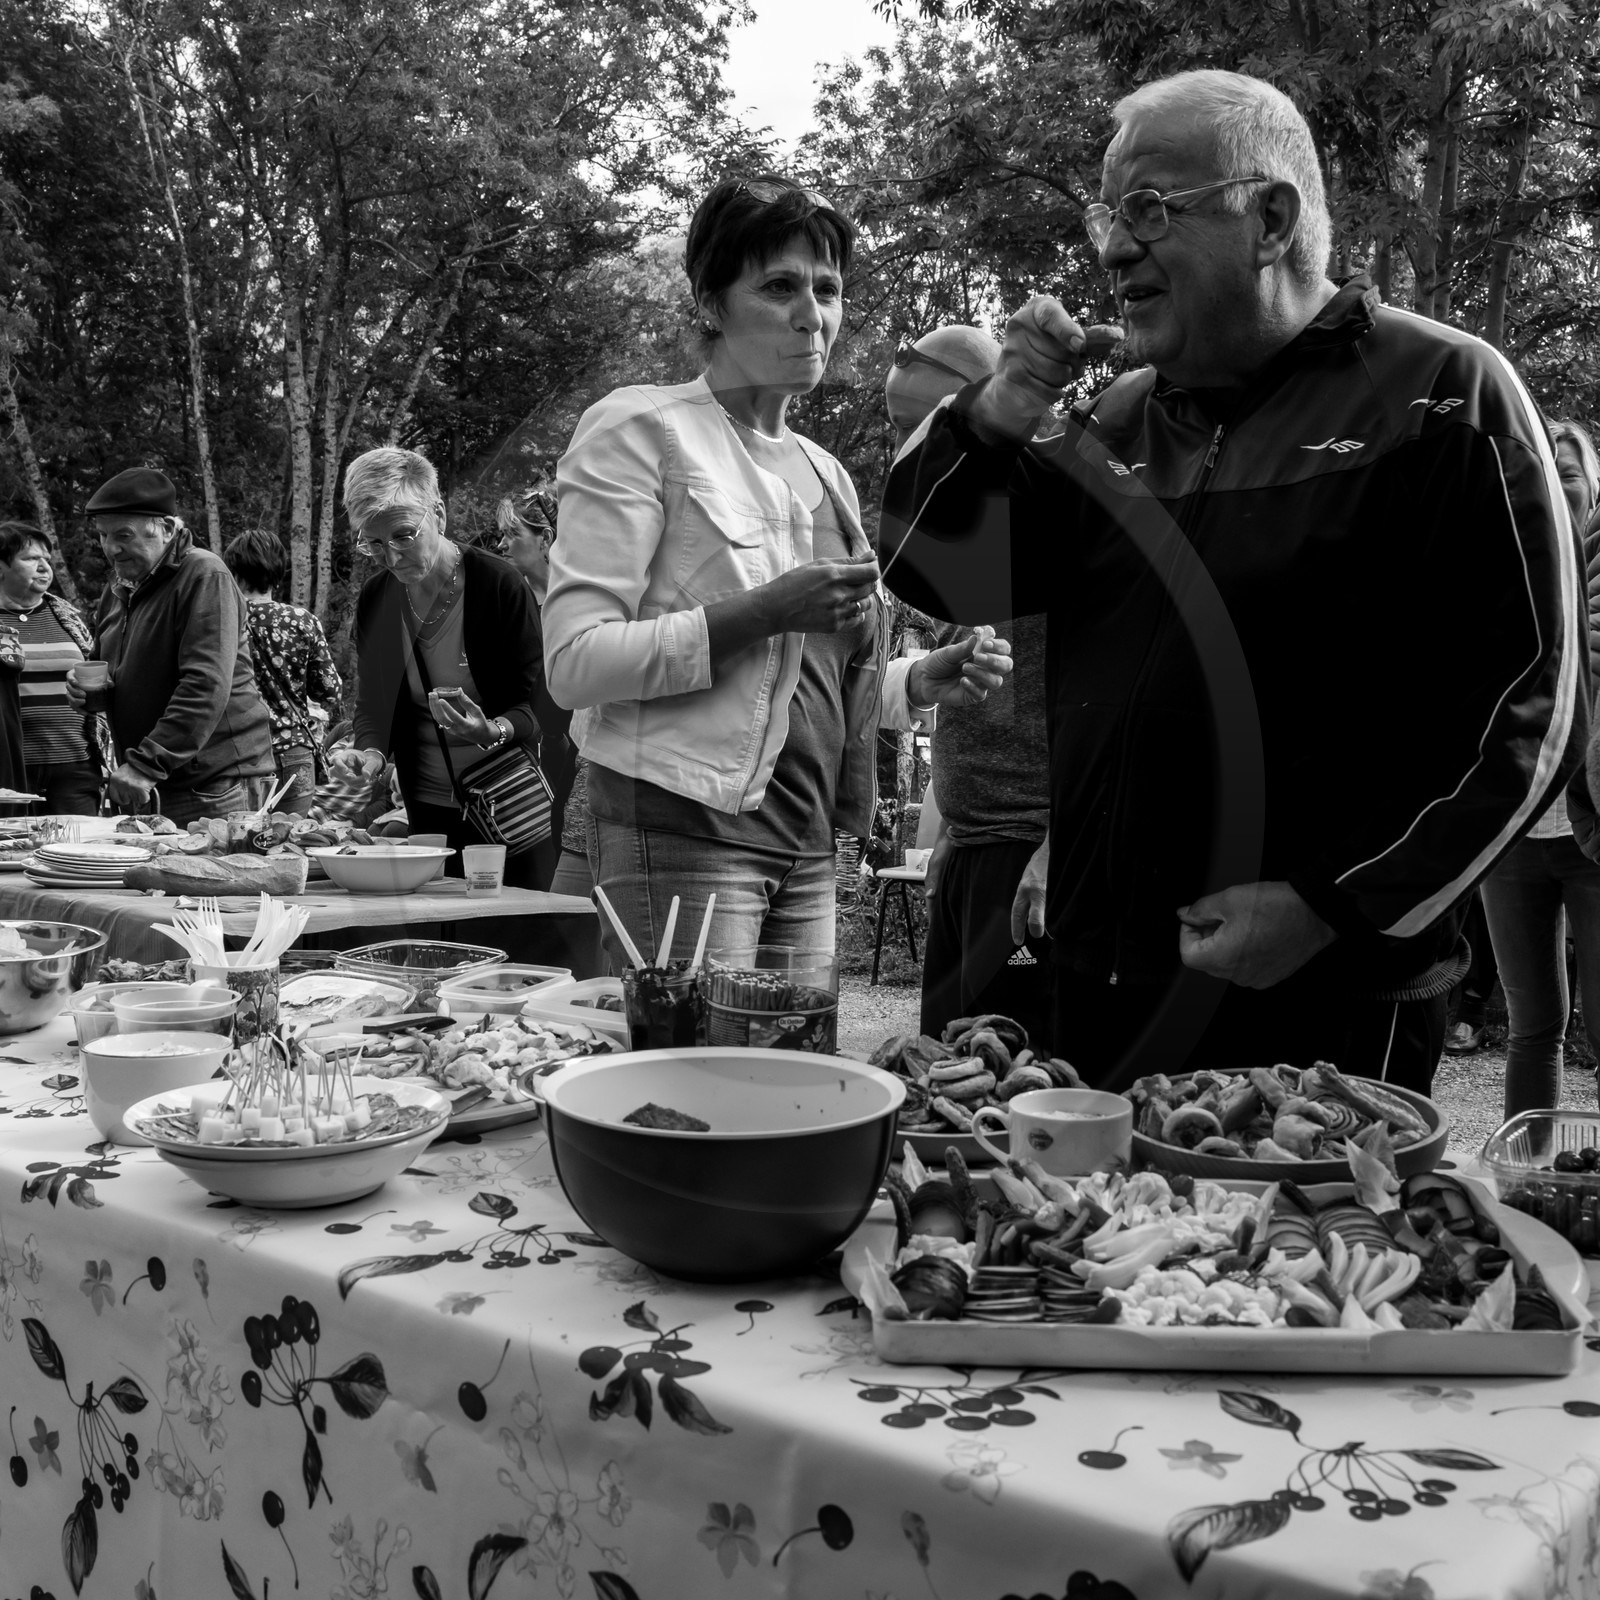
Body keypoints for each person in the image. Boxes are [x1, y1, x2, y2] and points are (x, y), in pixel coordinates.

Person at [882, 69, 1589, 1095]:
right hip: (1103, 990)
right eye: (1106, 217)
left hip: (1328, 1009)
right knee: (1104, 1252)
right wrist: (997, 411)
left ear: (1270, 219)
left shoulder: (1441, 398)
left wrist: (1327, 906)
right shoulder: (1111, 424)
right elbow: (928, 565)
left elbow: (1533, 710)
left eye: (1151, 210)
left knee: (1304, 1260)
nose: (1115, 247)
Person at [547, 174, 1012, 967]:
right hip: (682, 827)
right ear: (710, 302)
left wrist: (915, 682)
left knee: (790, 1083)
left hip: (808, 842)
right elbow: (574, 663)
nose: (813, 314)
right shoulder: (642, 428)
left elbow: (813, 677)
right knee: (693, 1083)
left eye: (827, 289)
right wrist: (764, 609)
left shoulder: (827, 472)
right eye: (779, 286)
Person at [881, 331, 1057, 1047]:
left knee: (1008, 1077)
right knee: (940, 1062)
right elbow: (1001, 685)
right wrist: (953, 828)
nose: (912, 444)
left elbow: (1103, 704)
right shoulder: (967, 521)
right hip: (972, 853)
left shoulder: (1059, 504)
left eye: (916, 421)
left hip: (1029, 858)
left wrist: (1056, 848)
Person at [332, 446, 563, 889]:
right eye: (373, 543)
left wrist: (489, 731)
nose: (392, 557)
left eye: (403, 536)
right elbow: (374, 705)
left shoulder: (498, 586)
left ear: (437, 515)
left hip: (508, 806)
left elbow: (538, 710)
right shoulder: (378, 599)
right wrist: (370, 753)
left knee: (513, 926)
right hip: (429, 811)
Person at [1480, 419, 1600, 1116]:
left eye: (1571, 470)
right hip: (1513, 838)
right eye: (1543, 470)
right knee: (1533, 1030)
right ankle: (1527, 1185)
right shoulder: (1503, 576)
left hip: (1592, 840)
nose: (1556, 484)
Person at [65, 469, 276, 825]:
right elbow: (109, 671)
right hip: (155, 779)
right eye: (103, 535)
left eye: (123, 535)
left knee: (217, 878)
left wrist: (147, 764)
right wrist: (87, 691)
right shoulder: (119, 589)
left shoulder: (204, 575)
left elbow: (205, 684)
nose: (110, 548)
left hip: (212, 785)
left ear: (165, 528)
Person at [221, 529, 343, 816]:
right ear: (278, 572)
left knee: (236, 844)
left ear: (233, 571)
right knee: (289, 842)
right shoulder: (301, 621)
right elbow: (329, 692)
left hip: (237, 754)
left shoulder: (224, 620)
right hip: (294, 753)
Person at [0, 523, 106, 813]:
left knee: (80, 852)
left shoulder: (66, 616)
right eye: (31, 559)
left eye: (46, 558)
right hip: (8, 771)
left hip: (74, 765)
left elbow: (97, 676)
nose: (44, 566)